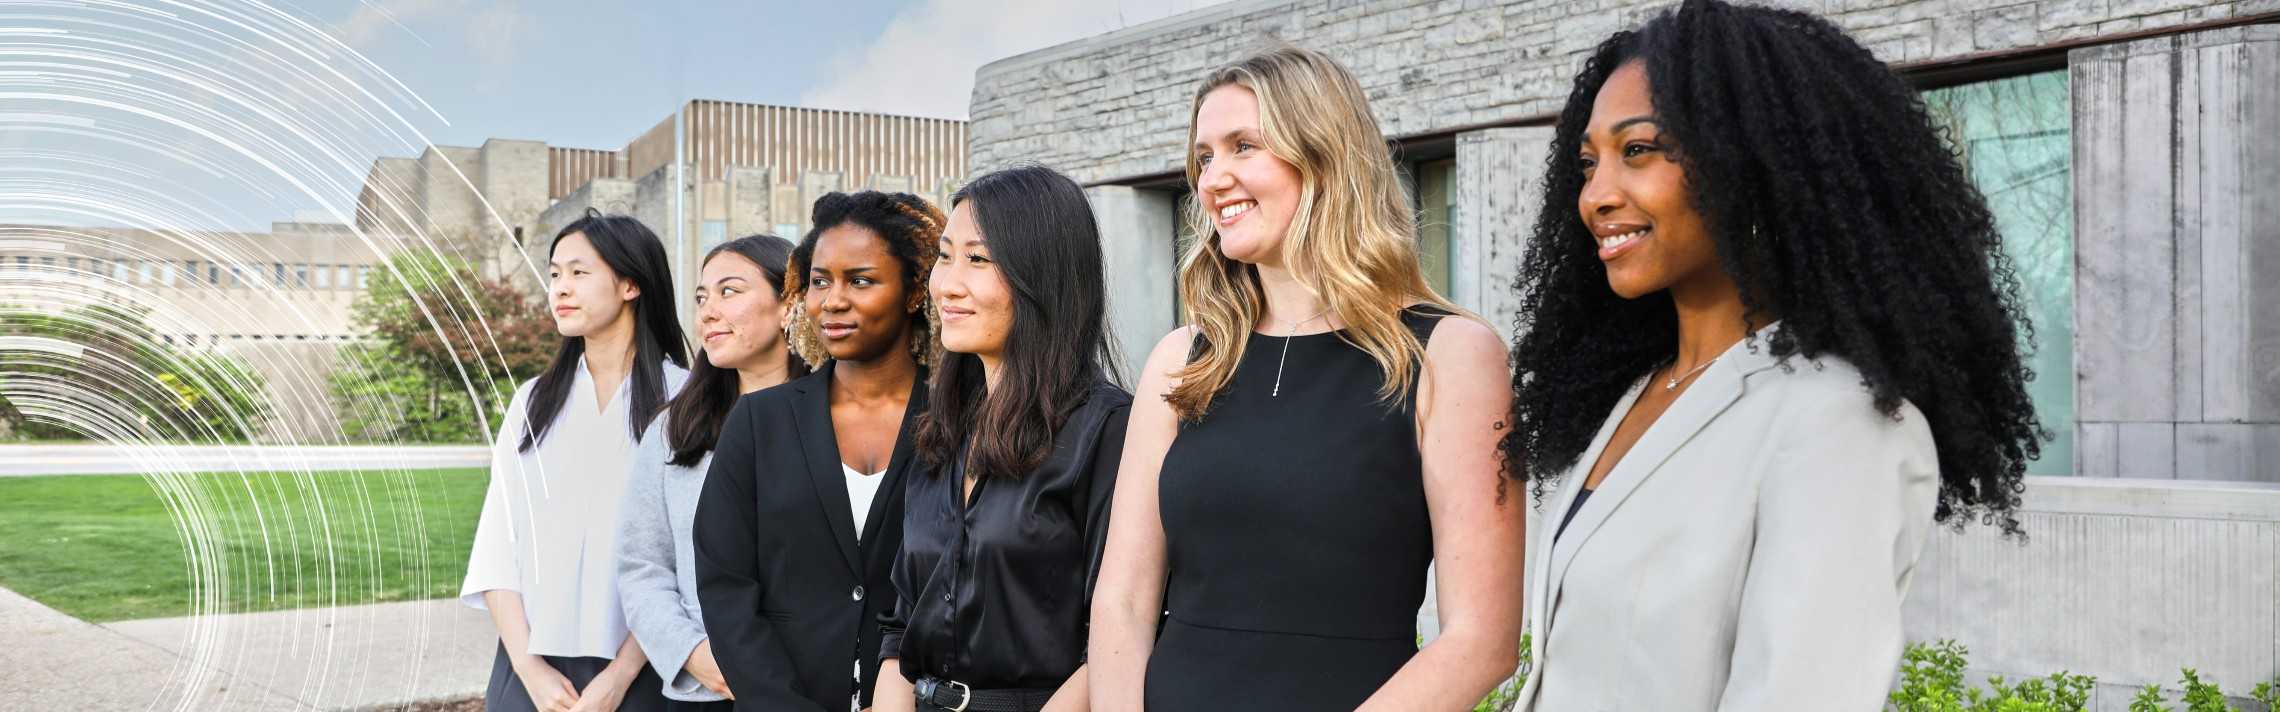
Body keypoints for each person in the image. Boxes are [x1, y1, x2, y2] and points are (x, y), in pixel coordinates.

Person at [1503, 2, 2046, 709]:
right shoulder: (1636, 397)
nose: (1596, 196)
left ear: (1750, 163)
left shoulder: (1837, 422)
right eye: (1587, 163)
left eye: (1638, 150)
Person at [1087, 46, 1526, 711]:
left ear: (1325, 154)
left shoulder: (1451, 355)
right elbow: (1122, 600)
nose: (1213, 179)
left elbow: (1481, 640)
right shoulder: (1181, 361)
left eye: (1243, 146)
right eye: (1204, 157)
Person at [872, 166, 1131, 712]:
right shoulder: (943, 427)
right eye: (945, 256)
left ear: (1042, 277)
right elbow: (901, 625)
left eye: (978, 259)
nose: (947, 284)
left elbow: (1124, 630)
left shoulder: (1107, 430)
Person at [692, 191, 944, 712]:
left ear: (914, 290)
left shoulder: (960, 420)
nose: (832, 300)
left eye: (861, 280)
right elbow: (725, 586)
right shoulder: (759, 422)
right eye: (820, 281)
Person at [464, 210, 690, 712]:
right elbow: (499, 543)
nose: (560, 288)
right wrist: (530, 671)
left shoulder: (686, 399)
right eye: (554, 274)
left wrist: (620, 677)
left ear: (630, 284)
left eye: (579, 272)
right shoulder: (532, 401)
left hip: (647, 668)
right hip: (530, 667)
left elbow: (687, 555)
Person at [618, 234, 806, 710]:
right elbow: (642, 565)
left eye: (729, 291)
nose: (707, 312)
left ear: (788, 306)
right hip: (706, 689)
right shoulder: (673, 429)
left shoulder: (836, 421)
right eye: (702, 297)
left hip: (810, 682)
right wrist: (693, 654)